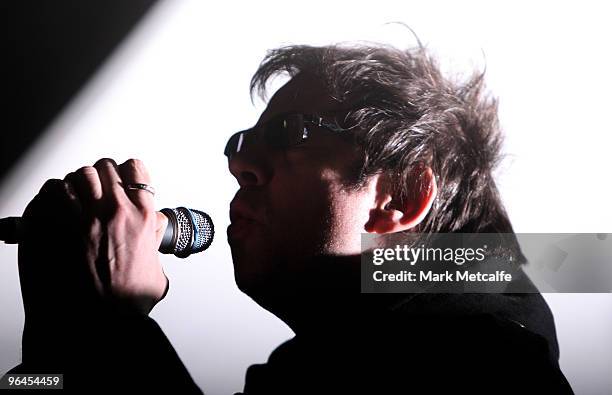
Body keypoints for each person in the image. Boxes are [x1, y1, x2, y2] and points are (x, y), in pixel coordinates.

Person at [7, 42, 573, 394]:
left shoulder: (485, 370)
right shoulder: (312, 373)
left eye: (289, 133)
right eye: (240, 142)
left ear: (399, 197)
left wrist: (112, 324)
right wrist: (60, 321)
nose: (238, 164)